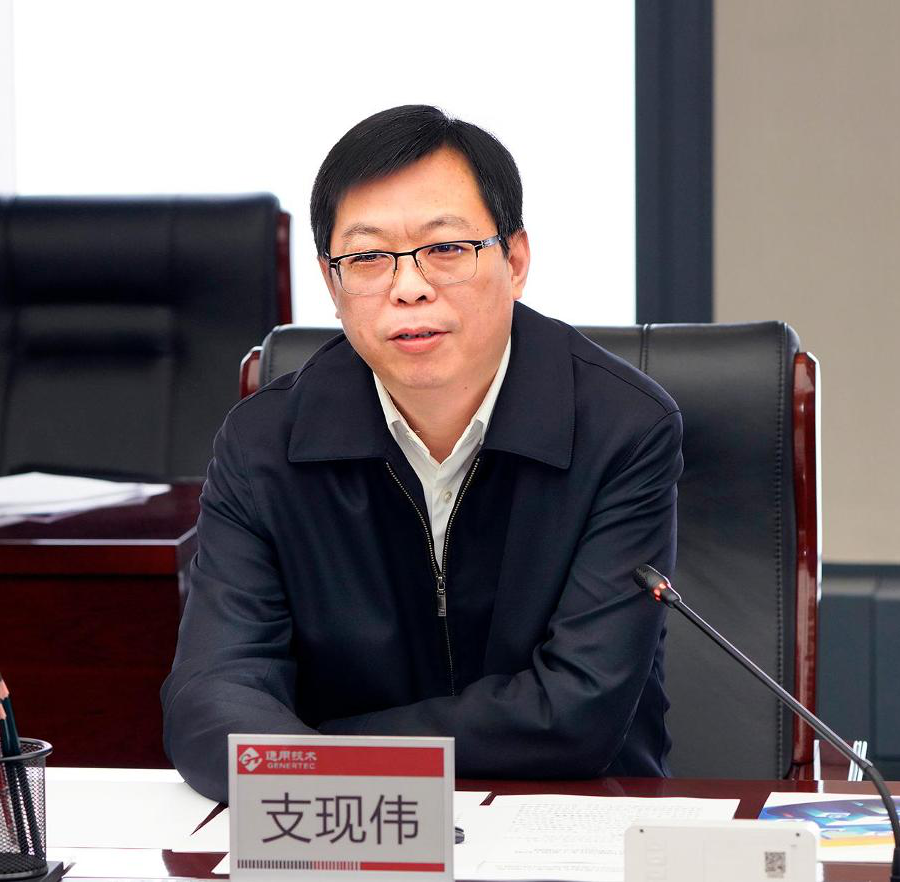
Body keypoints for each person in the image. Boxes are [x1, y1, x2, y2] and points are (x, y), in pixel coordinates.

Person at [162, 105, 682, 802]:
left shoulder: (622, 428)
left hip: (573, 818)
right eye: (368, 258)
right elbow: (212, 692)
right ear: (332, 285)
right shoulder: (263, 446)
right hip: (350, 835)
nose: (408, 287)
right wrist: (333, 783)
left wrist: (316, 752)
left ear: (515, 261)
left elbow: (575, 712)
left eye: (446, 249)